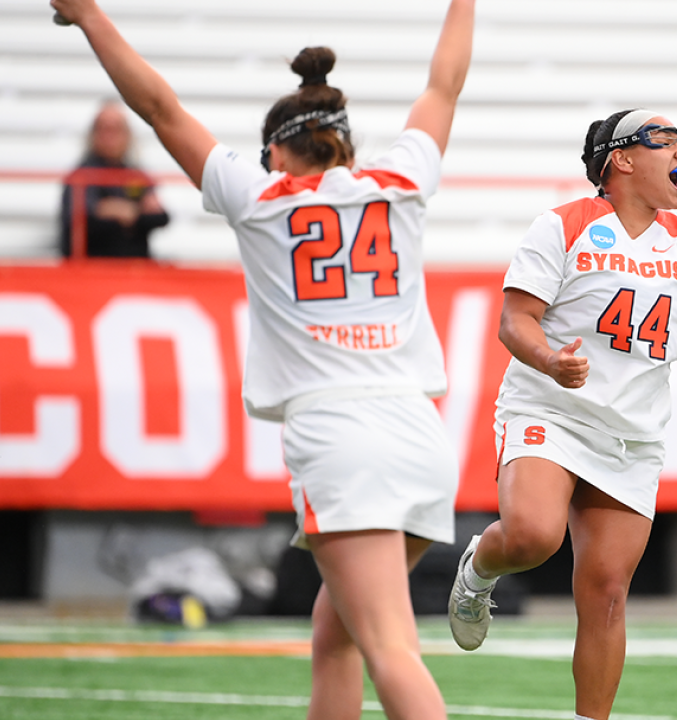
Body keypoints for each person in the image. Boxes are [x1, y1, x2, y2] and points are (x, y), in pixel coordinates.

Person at [51, 1, 476, 718]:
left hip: (340, 438)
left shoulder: (260, 196)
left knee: (389, 647)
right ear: (345, 145)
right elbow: (444, 84)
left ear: (277, 153)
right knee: (336, 635)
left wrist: (90, 15)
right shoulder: (401, 181)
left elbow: (158, 108)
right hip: (419, 433)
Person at [448, 108, 677, 720]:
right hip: (551, 409)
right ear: (620, 158)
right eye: (664, 141)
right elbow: (515, 320)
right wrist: (549, 360)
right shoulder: (562, 226)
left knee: (607, 596)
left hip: (631, 436)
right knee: (533, 536)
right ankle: (479, 568)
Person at [59, 100, 169, 258]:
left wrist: (116, 210)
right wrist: (132, 213)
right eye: (104, 128)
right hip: (93, 266)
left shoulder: (135, 175)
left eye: (117, 129)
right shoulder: (81, 177)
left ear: (127, 134)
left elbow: (160, 216)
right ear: (93, 134)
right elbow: (78, 220)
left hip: (134, 266)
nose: (110, 136)